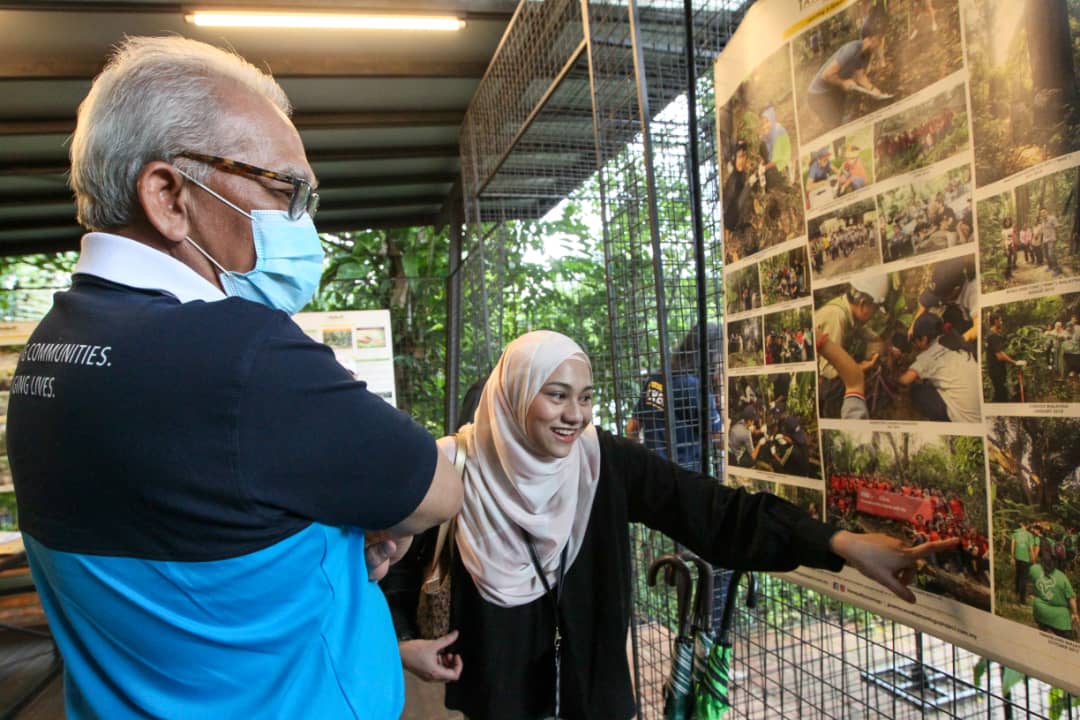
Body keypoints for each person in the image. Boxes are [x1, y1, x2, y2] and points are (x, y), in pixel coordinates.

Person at [4, 36, 463, 719]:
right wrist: (368, 521)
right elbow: (438, 489)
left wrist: (329, 538)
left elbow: (206, 542)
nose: (301, 220)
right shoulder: (241, 357)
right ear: (168, 195)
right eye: (284, 189)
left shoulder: (52, 349)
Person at [393, 330, 956, 720]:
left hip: (595, 693)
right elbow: (385, 566)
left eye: (586, 398)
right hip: (498, 695)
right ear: (513, 397)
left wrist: (836, 542)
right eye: (557, 395)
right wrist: (400, 647)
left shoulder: (601, 463)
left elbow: (715, 513)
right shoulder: (452, 470)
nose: (575, 415)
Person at [629, 324, 723, 469]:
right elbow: (721, 441)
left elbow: (632, 428)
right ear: (713, 355)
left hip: (652, 474)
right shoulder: (696, 389)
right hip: (684, 480)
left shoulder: (657, 379)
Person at [815, 275, 889, 417]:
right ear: (862, 304)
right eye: (875, 309)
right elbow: (828, 371)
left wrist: (878, 339)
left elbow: (860, 329)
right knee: (837, 387)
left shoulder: (848, 310)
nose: (874, 314)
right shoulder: (837, 317)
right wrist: (860, 368)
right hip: (822, 378)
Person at [806, 14, 888, 131]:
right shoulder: (852, 49)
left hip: (833, 90)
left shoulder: (866, 55)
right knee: (835, 126)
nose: (880, 44)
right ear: (870, 39)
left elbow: (860, 76)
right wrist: (843, 83)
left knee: (841, 120)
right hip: (818, 95)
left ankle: (840, 122)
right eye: (878, 40)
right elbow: (826, 75)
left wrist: (872, 89)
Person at [897, 313, 981, 423]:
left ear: (924, 339)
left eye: (916, 340)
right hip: (979, 411)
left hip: (966, 419)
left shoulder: (926, 358)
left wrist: (894, 372)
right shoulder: (953, 339)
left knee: (917, 392)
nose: (915, 344)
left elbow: (904, 380)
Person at [910, 255, 978, 346]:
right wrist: (913, 326)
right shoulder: (944, 284)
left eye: (941, 296)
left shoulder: (973, 291)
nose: (937, 300)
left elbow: (978, 327)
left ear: (955, 290)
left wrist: (958, 343)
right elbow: (925, 302)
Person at [1028, 544, 1079, 639]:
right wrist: (1075, 613)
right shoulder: (1062, 577)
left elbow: (1031, 582)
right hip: (1059, 619)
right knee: (1068, 639)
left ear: (1041, 561)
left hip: (1039, 613)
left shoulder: (1034, 569)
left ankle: (1045, 629)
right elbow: (1072, 598)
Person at [985, 313, 1024, 403]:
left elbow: (1000, 352)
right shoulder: (993, 336)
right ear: (995, 321)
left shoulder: (991, 334)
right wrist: (1014, 362)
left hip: (995, 369)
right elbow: (1000, 355)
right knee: (1001, 395)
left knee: (1000, 393)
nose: (1002, 323)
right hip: (996, 371)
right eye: (1000, 320)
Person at [723, 141, 756, 233]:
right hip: (732, 220)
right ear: (734, 159)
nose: (743, 160)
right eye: (740, 157)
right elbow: (737, 204)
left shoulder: (739, 173)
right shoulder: (734, 179)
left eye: (744, 156)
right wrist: (749, 184)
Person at [758, 105, 792, 190]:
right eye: (763, 123)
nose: (765, 125)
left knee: (772, 182)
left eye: (767, 121)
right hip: (773, 161)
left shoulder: (778, 131)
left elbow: (776, 160)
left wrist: (764, 168)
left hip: (782, 166)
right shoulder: (771, 130)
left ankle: (780, 185)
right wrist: (762, 162)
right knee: (762, 143)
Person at [1012, 522, 1040, 603]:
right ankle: (1022, 600)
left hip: (1017, 558)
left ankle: (1016, 594)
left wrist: (1012, 557)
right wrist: (1034, 561)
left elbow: (1013, 545)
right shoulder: (1029, 535)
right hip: (1025, 559)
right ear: (1027, 526)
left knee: (1017, 575)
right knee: (1023, 579)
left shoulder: (1015, 532)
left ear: (1021, 524)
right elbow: (1031, 549)